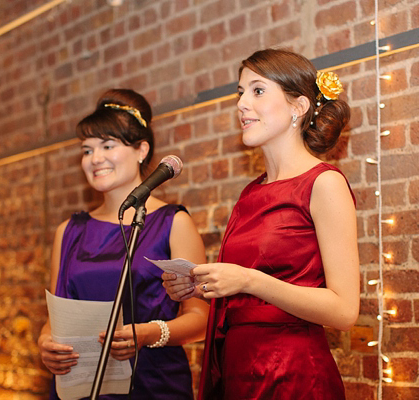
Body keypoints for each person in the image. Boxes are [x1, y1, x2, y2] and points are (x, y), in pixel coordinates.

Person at [162, 49, 359, 399]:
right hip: (238, 371)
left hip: (293, 376)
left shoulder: (324, 182)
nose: (241, 104)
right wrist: (200, 288)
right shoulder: (251, 193)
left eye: (257, 90)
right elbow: (246, 292)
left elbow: (344, 310)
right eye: (240, 93)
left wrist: (249, 280)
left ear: (298, 107)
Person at [38, 88, 209, 399]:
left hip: (153, 384)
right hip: (81, 387)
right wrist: (46, 342)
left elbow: (200, 319)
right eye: (87, 150)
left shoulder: (174, 222)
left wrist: (148, 333)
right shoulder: (68, 231)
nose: (95, 159)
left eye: (107, 145)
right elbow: (56, 317)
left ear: (142, 150)